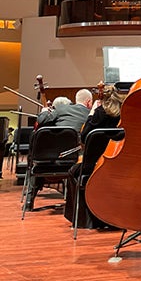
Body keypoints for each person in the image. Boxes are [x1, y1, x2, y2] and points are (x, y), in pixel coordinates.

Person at [64, 85, 126, 228]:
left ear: (101, 97)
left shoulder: (99, 113)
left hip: (95, 165)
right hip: (119, 164)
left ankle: (85, 220)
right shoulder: (125, 112)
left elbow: (85, 137)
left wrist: (91, 114)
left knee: (73, 172)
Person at [26, 89, 93, 210]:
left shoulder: (62, 109)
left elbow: (41, 120)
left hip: (49, 158)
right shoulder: (90, 114)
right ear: (89, 102)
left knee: (37, 160)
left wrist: (45, 111)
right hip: (74, 160)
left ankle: (29, 202)